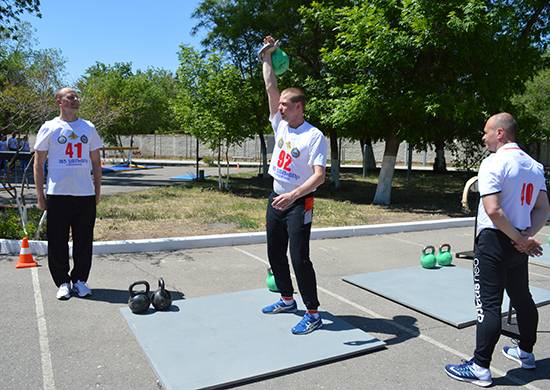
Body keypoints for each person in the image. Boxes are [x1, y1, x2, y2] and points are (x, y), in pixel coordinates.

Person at [444, 113, 550, 387]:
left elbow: (493, 210)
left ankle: (480, 367)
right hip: (517, 242)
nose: (484, 136)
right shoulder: (534, 165)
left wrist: (519, 238)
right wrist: (525, 238)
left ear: (500, 133)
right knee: (522, 297)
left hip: (495, 241)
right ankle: (526, 353)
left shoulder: (494, 162)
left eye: (486, 131)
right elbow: (543, 210)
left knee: (488, 305)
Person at [259, 36, 328, 335]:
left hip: (299, 202)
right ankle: (287, 299)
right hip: (276, 197)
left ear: (298, 106)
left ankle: (313, 313)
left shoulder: (315, 136)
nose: (280, 107)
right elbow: (269, 86)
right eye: (281, 104)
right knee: (275, 253)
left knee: (299, 257)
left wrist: (293, 196)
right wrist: (266, 56)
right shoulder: (281, 124)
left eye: (285, 104)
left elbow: (319, 176)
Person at [33, 87, 103, 300]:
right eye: (70, 97)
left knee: (84, 240)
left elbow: (96, 162)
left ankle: (80, 280)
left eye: (76, 97)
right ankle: (63, 282)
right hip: (58, 194)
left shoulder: (88, 127)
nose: (75, 100)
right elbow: (38, 163)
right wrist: (40, 195)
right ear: (59, 102)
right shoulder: (50, 127)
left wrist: (97, 190)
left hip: (84, 194)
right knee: (57, 240)